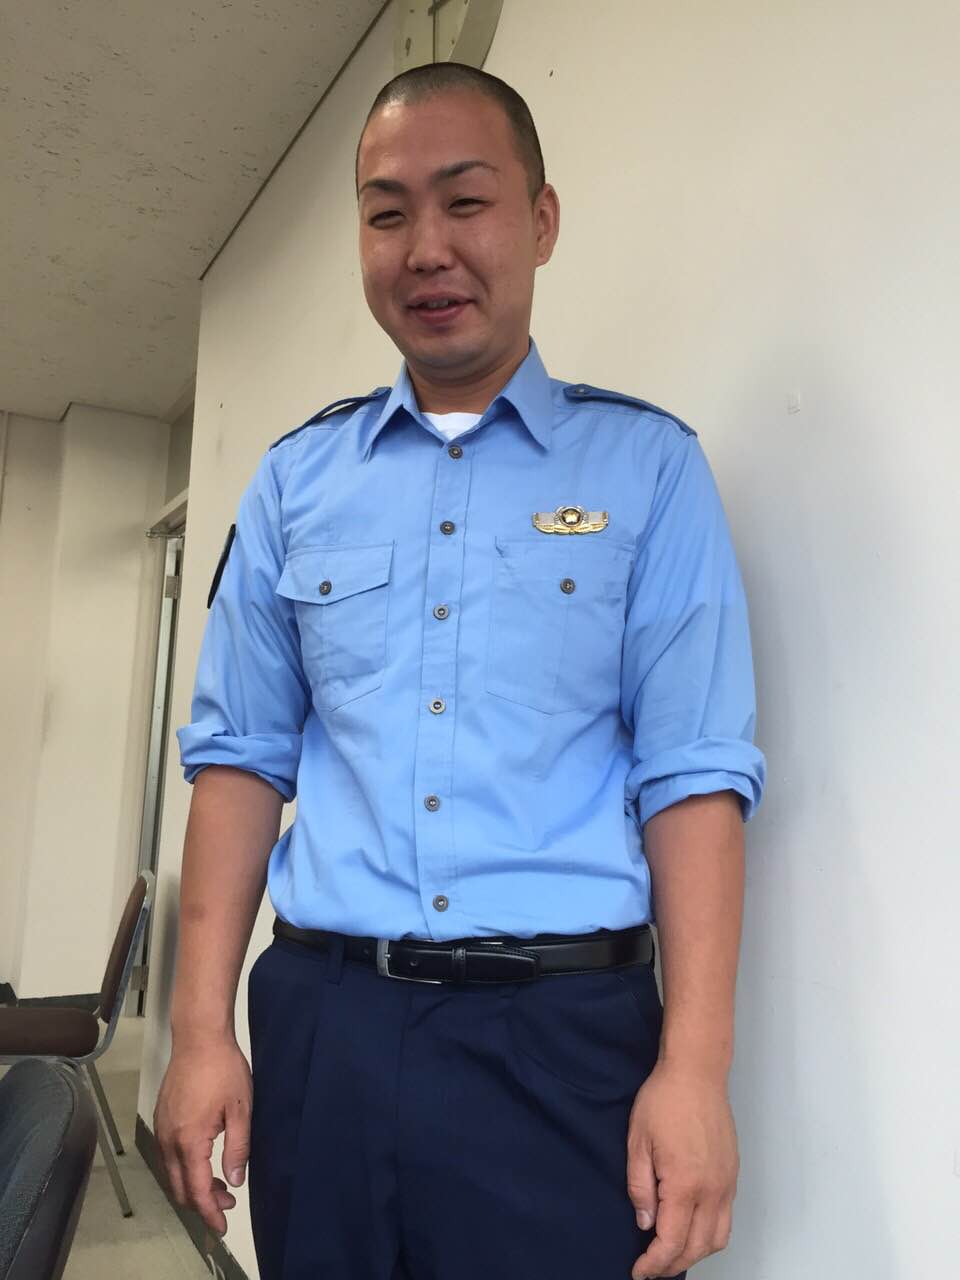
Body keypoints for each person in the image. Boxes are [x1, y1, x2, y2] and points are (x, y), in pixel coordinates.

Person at [154, 61, 766, 1280]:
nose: (426, 247)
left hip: (561, 1042)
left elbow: (693, 772)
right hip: (327, 1024)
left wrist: (696, 1070)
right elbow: (240, 762)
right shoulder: (294, 481)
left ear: (540, 219)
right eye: (387, 213)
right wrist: (198, 1028)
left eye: (465, 201)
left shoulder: (648, 470)